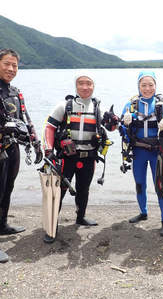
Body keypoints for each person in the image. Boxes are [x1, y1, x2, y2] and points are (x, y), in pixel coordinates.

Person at [43, 74, 111, 243]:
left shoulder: (99, 109)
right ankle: (51, 226)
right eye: (81, 83)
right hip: (67, 158)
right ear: (76, 86)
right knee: (57, 192)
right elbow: (49, 128)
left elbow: (112, 127)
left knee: (83, 190)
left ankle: (80, 217)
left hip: (89, 157)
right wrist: (48, 150)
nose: (85, 87)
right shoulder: (64, 106)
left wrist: (116, 121)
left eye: (89, 83)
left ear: (93, 86)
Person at [0, 48, 43, 262]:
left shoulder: (16, 92)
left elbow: (25, 118)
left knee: (7, 188)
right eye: (7, 63)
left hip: (12, 148)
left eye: (15, 65)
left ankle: (3, 225)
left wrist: (36, 142)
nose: (11, 68)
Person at [120, 71, 163, 237]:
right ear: (138, 86)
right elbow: (121, 128)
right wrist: (123, 123)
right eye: (144, 85)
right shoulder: (130, 106)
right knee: (140, 184)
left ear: (155, 86)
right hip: (138, 151)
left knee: (161, 187)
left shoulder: (160, 105)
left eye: (151, 85)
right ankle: (143, 212)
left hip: (157, 152)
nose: (147, 88)